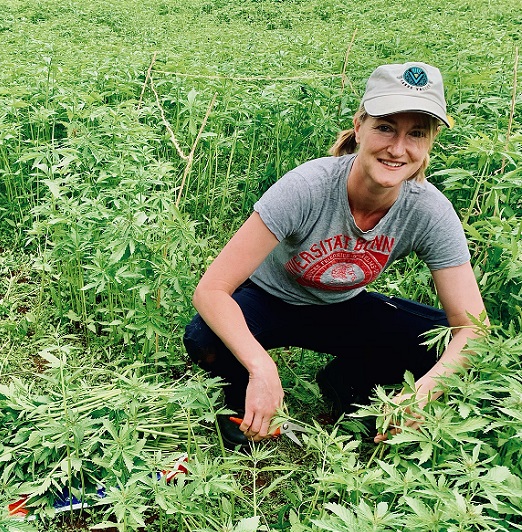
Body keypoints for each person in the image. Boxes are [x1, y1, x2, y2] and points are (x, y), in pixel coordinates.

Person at [183, 62, 488, 449]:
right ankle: (240, 401)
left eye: (416, 133)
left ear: (430, 142)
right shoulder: (308, 187)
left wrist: (426, 390)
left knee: (439, 344)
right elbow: (210, 291)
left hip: (343, 306)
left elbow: (473, 326)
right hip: (267, 299)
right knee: (205, 337)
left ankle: (346, 382)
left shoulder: (429, 210)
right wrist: (262, 367)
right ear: (359, 126)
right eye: (385, 127)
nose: (398, 148)